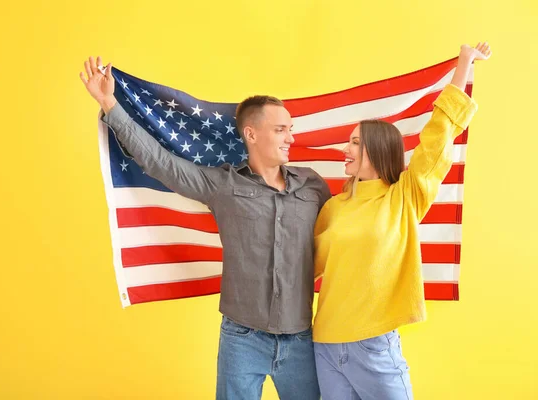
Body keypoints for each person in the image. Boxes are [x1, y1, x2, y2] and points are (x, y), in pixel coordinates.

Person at [80, 57, 330, 400]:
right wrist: (109, 102)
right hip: (242, 340)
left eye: (291, 128)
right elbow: (159, 161)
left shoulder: (313, 186)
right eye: (281, 129)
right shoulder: (222, 186)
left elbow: (342, 233)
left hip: (301, 337)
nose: (291, 137)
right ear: (252, 134)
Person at [312, 42, 491, 399]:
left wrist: (465, 63)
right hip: (325, 345)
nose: (344, 150)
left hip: (373, 346)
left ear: (377, 150)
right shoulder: (332, 207)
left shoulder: (405, 196)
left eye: (355, 143)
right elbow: (304, 267)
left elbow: (438, 136)